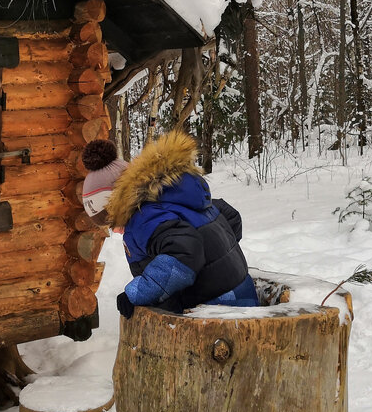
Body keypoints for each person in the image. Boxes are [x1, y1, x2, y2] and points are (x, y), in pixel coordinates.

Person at [81, 131, 258, 318]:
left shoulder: (142, 219)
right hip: (242, 297)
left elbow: (184, 252)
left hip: (218, 312)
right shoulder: (174, 199)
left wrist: (137, 294)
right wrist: (218, 256)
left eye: (111, 221)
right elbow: (230, 216)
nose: (115, 230)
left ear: (119, 203)